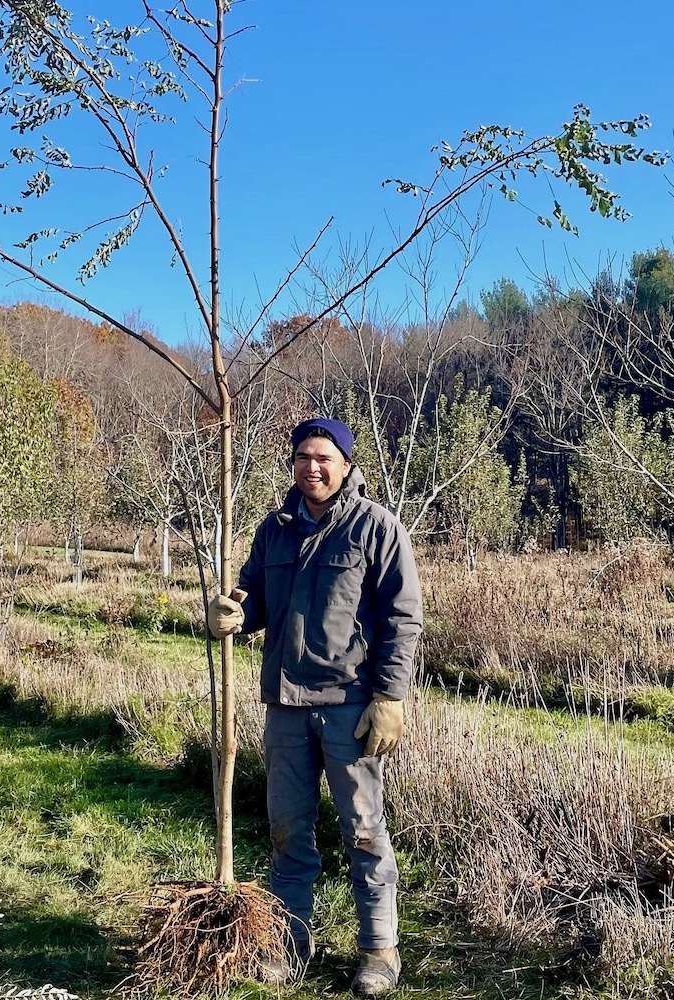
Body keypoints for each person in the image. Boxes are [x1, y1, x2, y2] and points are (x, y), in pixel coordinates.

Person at [207, 417, 423, 996]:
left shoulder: (375, 527)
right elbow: (254, 596)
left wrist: (390, 697)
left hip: (350, 706)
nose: (312, 467)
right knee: (288, 831)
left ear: (347, 464)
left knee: (363, 831)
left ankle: (379, 950)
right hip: (284, 705)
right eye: (303, 456)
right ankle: (290, 943)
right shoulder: (274, 531)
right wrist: (234, 613)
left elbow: (403, 619)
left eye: (324, 457)